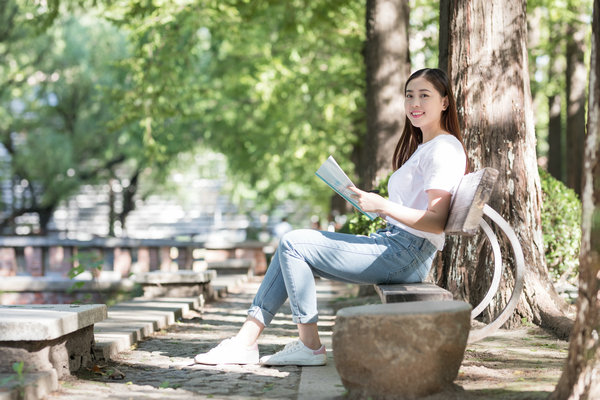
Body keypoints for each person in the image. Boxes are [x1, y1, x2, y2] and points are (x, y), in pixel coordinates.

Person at [194, 68, 468, 367]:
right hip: (395, 246)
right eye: (409, 95)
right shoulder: (425, 147)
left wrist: (383, 206)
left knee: (294, 243)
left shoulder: (443, 148)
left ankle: (307, 346)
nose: (415, 103)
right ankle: (245, 341)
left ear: (444, 102)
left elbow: (436, 220)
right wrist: (371, 204)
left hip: (405, 253)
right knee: (290, 247)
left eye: (424, 95)